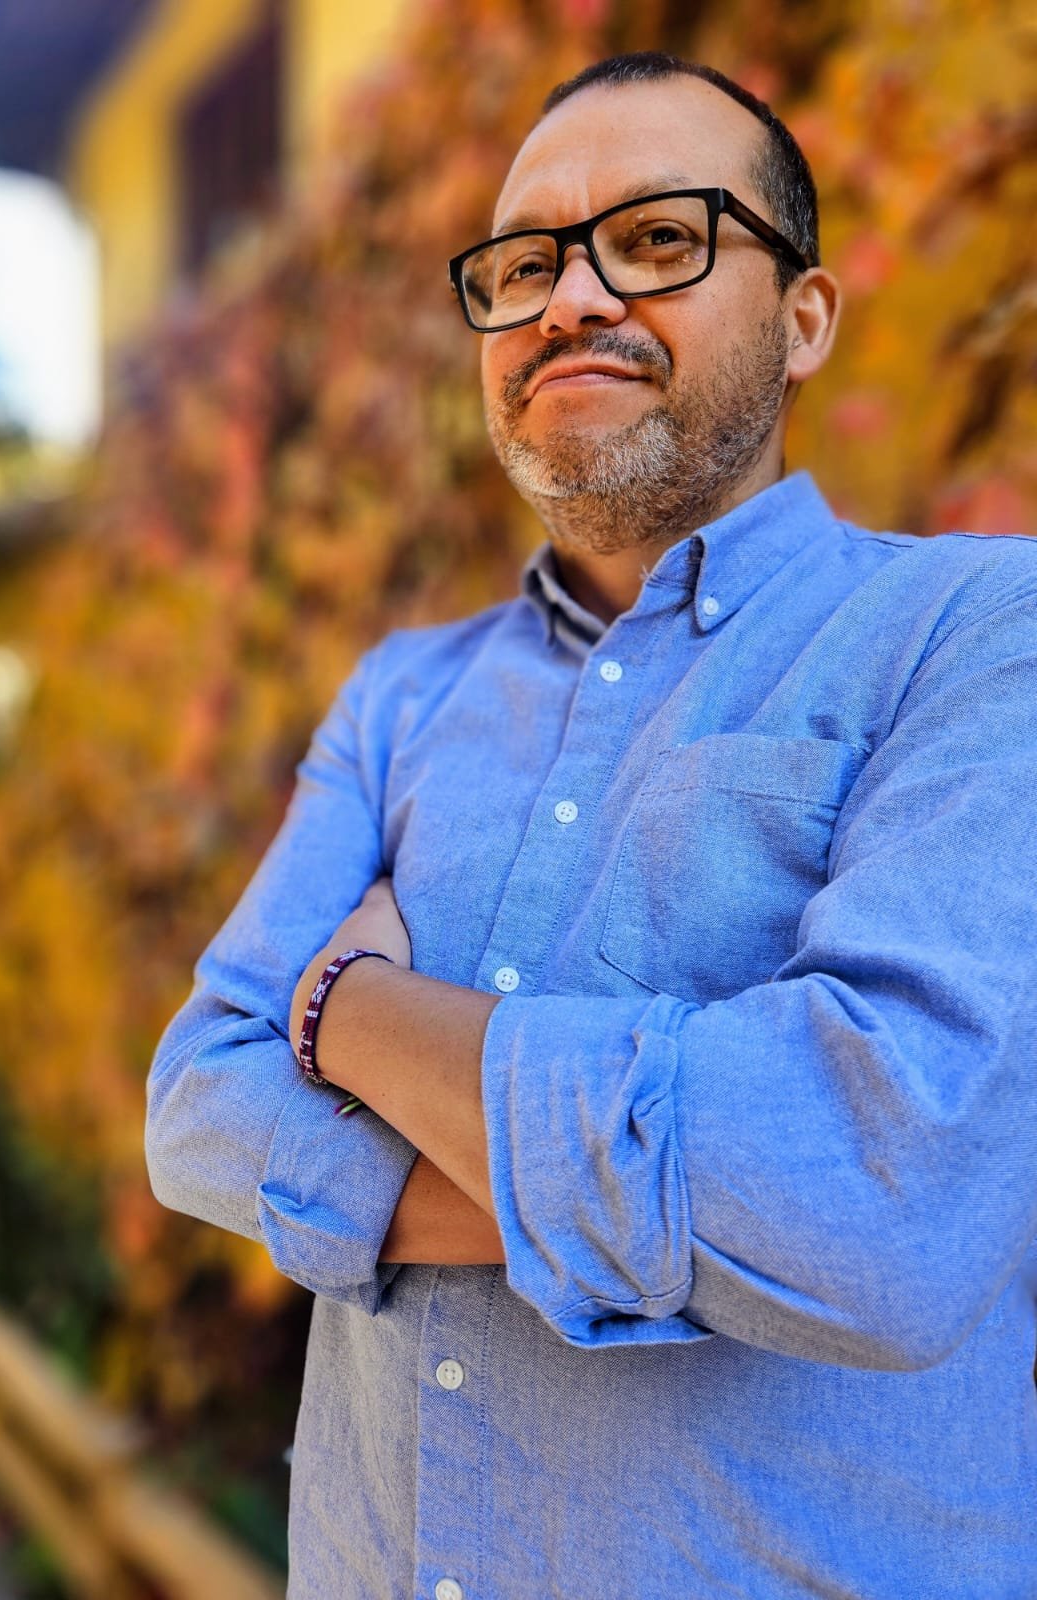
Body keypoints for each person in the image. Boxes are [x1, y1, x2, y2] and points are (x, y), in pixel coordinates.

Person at [145, 50, 1037, 1600]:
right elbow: (196, 1109)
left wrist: (343, 1005)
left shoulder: (972, 632)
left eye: (659, 239)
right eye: (524, 263)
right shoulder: (400, 694)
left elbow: (879, 1206)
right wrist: (690, 1206)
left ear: (806, 317)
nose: (570, 298)